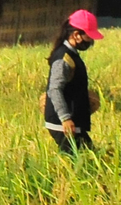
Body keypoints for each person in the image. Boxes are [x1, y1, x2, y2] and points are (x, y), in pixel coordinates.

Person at [43, 9, 103, 154]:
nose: (91, 42)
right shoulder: (64, 58)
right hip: (64, 125)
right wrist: (65, 118)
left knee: (90, 157)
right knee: (82, 162)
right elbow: (55, 89)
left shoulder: (71, 55)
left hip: (71, 123)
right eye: (88, 37)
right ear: (76, 35)